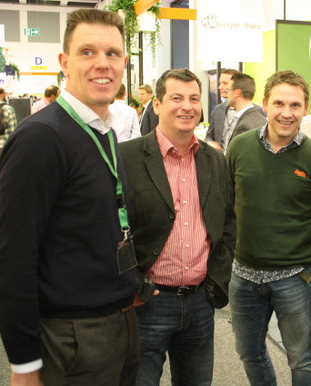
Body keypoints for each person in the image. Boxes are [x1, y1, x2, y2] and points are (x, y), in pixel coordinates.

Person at [0, 8, 140, 386]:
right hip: (72, 335)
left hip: (119, 320)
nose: (102, 64)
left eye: (112, 53)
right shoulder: (41, 138)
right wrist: (24, 363)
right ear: (64, 62)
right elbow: (13, 260)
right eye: (87, 52)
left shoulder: (104, 130)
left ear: (124, 63)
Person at [120, 68, 236, 386]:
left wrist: (217, 278)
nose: (187, 106)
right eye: (176, 98)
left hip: (200, 301)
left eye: (194, 99)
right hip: (147, 301)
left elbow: (227, 222)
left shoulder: (215, 160)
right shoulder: (127, 157)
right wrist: (131, 284)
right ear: (157, 105)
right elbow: (111, 227)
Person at [226, 70, 311, 385]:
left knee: (301, 359)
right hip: (243, 275)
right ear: (265, 104)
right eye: (278, 103)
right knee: (248, 352)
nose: (286, 113)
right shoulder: (239, 147)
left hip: (295, 277)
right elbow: (228, 201)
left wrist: (294, 242)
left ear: (305, 109)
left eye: (294, 105)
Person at [207, 73, 266, 153]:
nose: (227, 94)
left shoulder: (244, 126)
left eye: (228, 90)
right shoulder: (258, 118)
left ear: (237, 92)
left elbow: (240, 157)